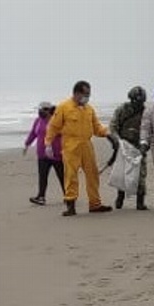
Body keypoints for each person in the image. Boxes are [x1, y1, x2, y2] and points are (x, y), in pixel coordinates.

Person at [45, 80, 113, 216]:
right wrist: (48, 144)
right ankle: (70, 205)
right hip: (71, 146)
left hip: (87, 145)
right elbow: (53, 126)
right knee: (71, 175)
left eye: (89, 94)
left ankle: (95, 204)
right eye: (85, 94)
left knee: (92, 175)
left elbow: (96, 127)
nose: (87, 97)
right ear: (76, 93)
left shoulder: (89, 109)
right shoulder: (64, 107)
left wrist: (108, 133)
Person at [109, 86, 148, 210]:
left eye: (140, 101)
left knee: (141, 174)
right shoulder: (122, 110)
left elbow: (149, 130)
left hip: (139, 145)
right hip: (124, 145)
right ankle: (120, 196)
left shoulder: (146, 113)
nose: (138, 104)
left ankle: (140, 201)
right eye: (136, 101)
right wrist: (117, 141)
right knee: (121, 173)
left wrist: (145, 145)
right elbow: (113, 126)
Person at [23, 101, 64, 206]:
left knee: (62, 176)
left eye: (44, 109)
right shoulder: (38, 121)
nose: (41, 111)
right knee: (42, 176)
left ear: (50, 110)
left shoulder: (57, 121)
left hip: (56, 154)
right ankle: (41, 197)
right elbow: (33, 133)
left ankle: (68, 195)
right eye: (40, 109)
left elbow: (65, 133)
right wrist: (27, 144)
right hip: (42, 154)